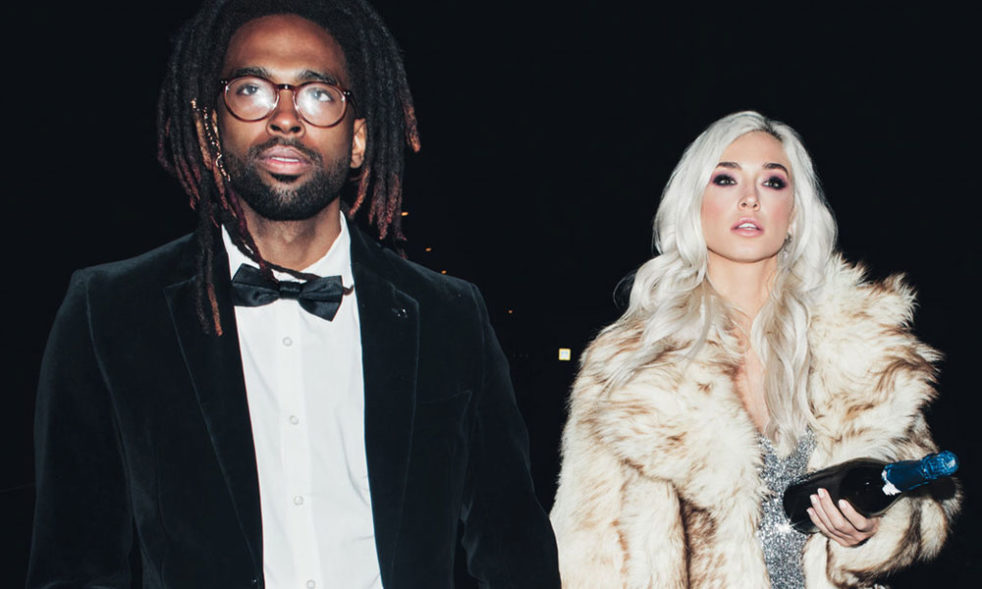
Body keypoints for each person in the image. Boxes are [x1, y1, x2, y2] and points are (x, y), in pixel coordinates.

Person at [27, 1, 560, 587]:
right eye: (252, 90)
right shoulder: (110, 311)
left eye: (318, 94)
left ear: (357, 141)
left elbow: (513, 548)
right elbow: (74, 563)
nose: (285, 117)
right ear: (211, 130)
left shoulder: (449, 315)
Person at [549, 111, 961, 588]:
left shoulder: (860, 347)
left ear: (795, 213)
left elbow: (932, 497)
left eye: (772, 182)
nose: (750, 198)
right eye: (725, 179)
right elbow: (588, 554)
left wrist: (872, 531)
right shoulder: (630, 364)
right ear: (694, 203)